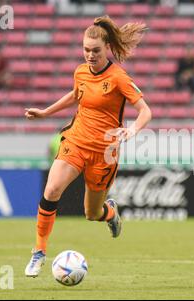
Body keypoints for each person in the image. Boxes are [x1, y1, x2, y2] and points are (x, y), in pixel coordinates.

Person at [23, 15, 152, 277]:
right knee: (52, 189)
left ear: (106, 48)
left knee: (92, 213)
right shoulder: (80, 71)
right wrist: (46, 112)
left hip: (105, 152)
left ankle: (110, 213)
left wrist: (132, 129)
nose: (90, 55)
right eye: (85, 50)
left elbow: (145, 111)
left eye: (95, 50)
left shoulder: (118, 77)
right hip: (76, 141)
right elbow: (75, 95)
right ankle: (38, 252)